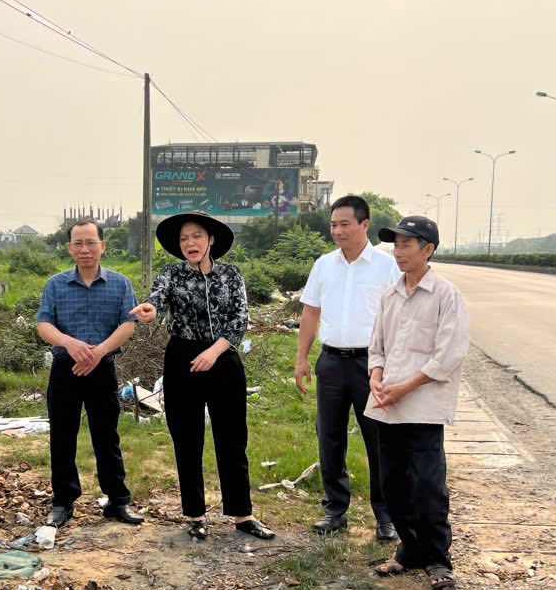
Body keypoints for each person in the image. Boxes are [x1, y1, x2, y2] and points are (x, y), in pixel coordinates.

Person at [131, 212, 275, 541]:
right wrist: (149, 310)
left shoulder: (230, 275)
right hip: (182, 358)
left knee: (232, 439)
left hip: (222, 359)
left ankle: (243, 515)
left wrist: (213, 352)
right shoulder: (171, 274)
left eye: (196, 236)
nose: (190, 243)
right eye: (184, 239)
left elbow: (239, 320)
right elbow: (158, 299)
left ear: (210, 240)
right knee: (187, 438)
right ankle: (194, 515)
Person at [365, 216, 470, 590]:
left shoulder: (445, 295)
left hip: (423, 406)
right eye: (396, 244)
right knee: (391, 482)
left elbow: (448, 356)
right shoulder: (389, 294)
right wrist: (377, 377)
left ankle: (439, 559)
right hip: (386, 404)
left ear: (428, 249)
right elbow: (376, 346)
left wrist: (405, 387)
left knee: (428, 484)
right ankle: (409, 550)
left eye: (407, 244)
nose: (399, 252)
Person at [295, 195, 400, 540]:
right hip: (332, 362)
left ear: (364, 225)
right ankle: (335, 510)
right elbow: (310, 312)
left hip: (372, 365)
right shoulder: (324, 265)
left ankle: (386, 516)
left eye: (345, 224)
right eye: (333, 224)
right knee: (330, 437)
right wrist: (302, 358)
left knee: (379, 440)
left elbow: (400, 317)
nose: (337, 231)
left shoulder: (386, 267)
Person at [36, 219, 144, 528]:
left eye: (91, 243)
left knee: (106, 436)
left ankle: (117, 501)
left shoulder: (121, 284)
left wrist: (98, 352)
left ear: (102, 247)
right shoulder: (56, 284)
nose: (85, 249)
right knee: (62, 435)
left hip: (103, 369)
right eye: (78, 244)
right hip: (65, 369)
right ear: (70, 248)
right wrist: (69, 343)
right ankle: (62, 501)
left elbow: (128, 325)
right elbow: (44, 324)